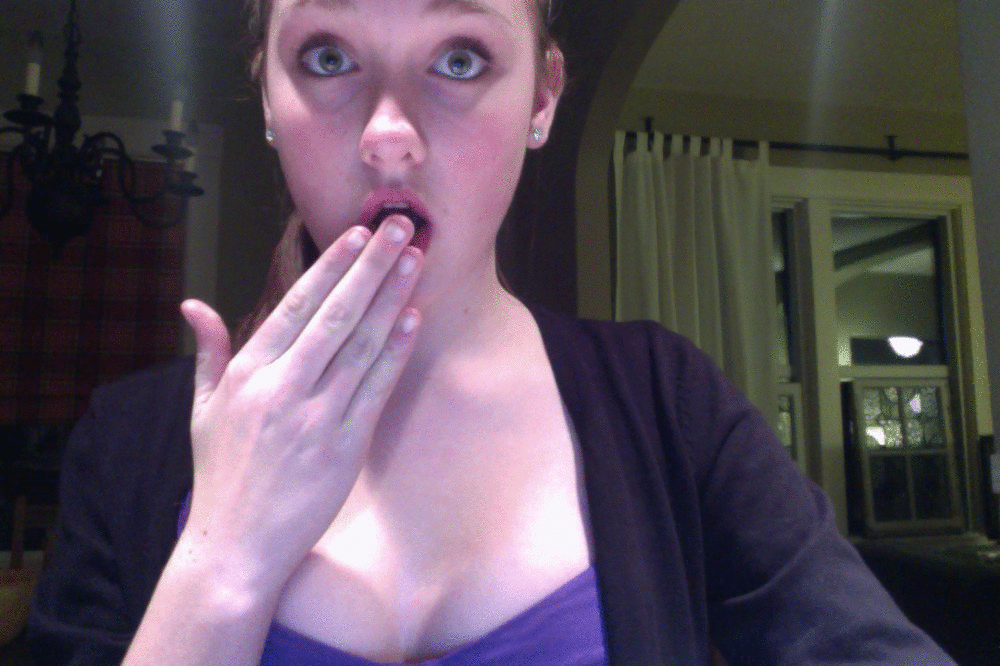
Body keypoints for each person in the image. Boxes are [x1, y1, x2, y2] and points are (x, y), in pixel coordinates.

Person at [28, 0, 958, 664]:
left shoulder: (667, 405)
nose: (389, 135)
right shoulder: (128, 442)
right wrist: (222, 562)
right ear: (266, 98)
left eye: (461, 58)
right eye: (328, 56)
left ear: (543, 99)